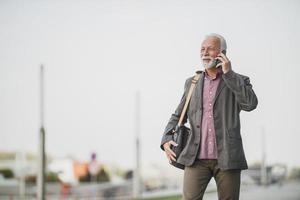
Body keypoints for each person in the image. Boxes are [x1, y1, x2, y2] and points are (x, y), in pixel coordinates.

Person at [160, 33, 258, 200]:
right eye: (202, 49)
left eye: (210, 49)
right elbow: (178, 115)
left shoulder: (238, 80)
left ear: (223, 53)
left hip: (228, 157)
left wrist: (229, 74)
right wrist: (166, 138)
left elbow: (250, 104)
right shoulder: (192, 82)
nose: (205, 53)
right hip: (195, 157)